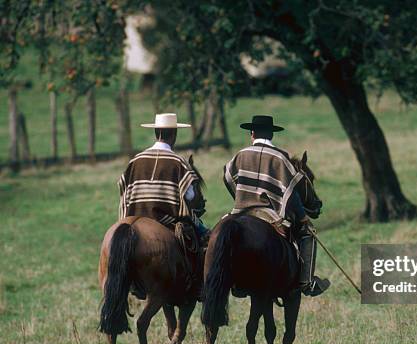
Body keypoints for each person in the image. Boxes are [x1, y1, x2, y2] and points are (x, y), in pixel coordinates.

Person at [223, 115, 330, 297]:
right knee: (308, 234)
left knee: (214, 237)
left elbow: (227, 177)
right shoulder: (281, 157)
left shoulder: (240, 155)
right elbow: (290, 191)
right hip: (269, 213)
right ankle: (307, 282)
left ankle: (213, 280)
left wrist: (242, 197)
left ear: (252, 133)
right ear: (271, 134)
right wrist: (303, 218)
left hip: (240, 212)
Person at [118, 112, 208, 241]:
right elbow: (190, 196)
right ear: (174, 134)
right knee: (197, 243)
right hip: (166, 222)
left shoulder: (135, 160)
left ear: (155, 132)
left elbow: (123, 188)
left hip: (133, 220)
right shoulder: (179, 162)